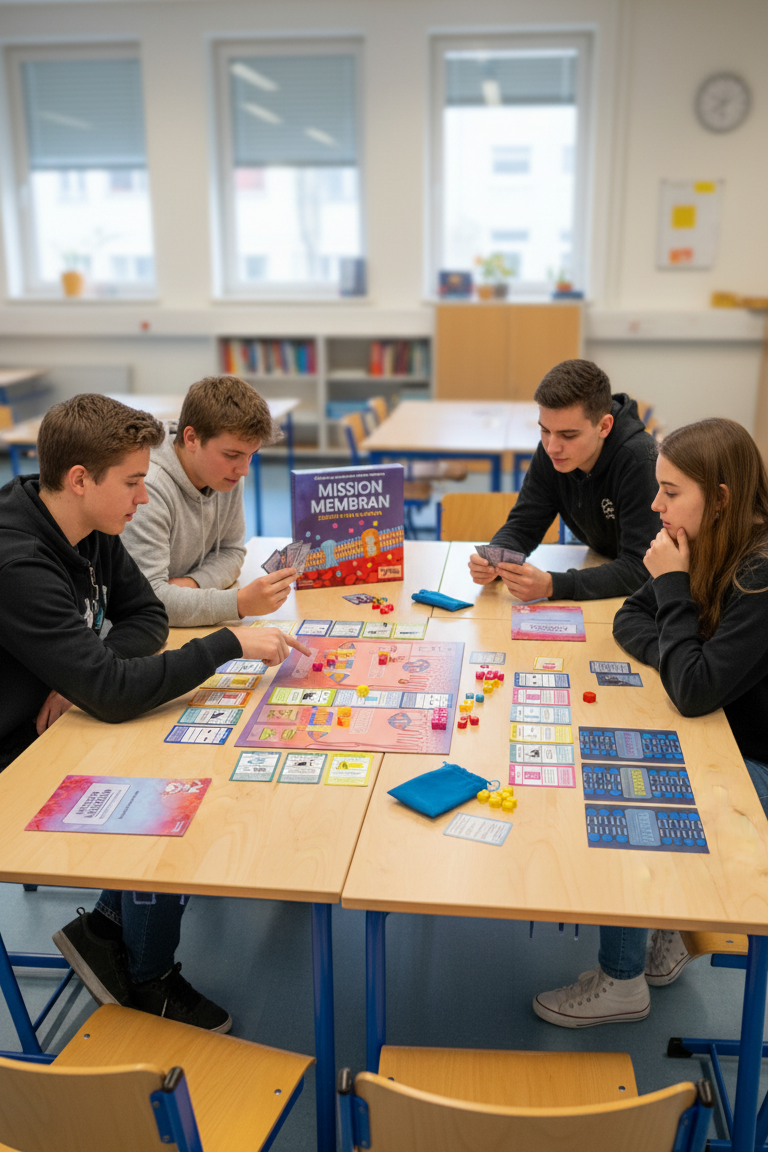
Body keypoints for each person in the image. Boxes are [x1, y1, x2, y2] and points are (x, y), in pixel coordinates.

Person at [0, 394, 310, 1032]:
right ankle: (149, 978)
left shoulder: (87, 524)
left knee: (190, 755)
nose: (145, 498)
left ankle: (111, 926)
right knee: (169, 794)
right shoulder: (19, 560)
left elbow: (145, 616)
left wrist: (83, 671)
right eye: (134, 482)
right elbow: (115, 692)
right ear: (81, 480)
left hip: (66, 717)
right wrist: (224, 643)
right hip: (15, 752)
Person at [533, 417, 768, 1027]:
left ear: (718, 499)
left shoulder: (760, 573)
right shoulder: (695, 542)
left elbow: (692, 691)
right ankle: (658, 925)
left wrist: (672, 595)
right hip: (718, 734)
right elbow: (630, 619)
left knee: (626, 778)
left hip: (754, 770)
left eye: (670, 492)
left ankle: (620, 982)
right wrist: (679, 632)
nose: (655, 504)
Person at [468, 359, 661, 601]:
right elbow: (524, 525)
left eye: (568, 435)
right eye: (545, 430)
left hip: (647, 591)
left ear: (604, 426)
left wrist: (554, 586)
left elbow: (641, 567)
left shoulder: (639, 461)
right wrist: (496, 557)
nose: (552, 447)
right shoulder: (552, 452)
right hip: (606, 571)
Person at [122, 375, 296, 627]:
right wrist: (238, 603)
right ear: (191, 438)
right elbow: (149, 601)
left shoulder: (226, 473)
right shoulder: (148, 488)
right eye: (232, 454)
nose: (244, 470)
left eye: (251, 455)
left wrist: (192, 584)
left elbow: (232, 552)